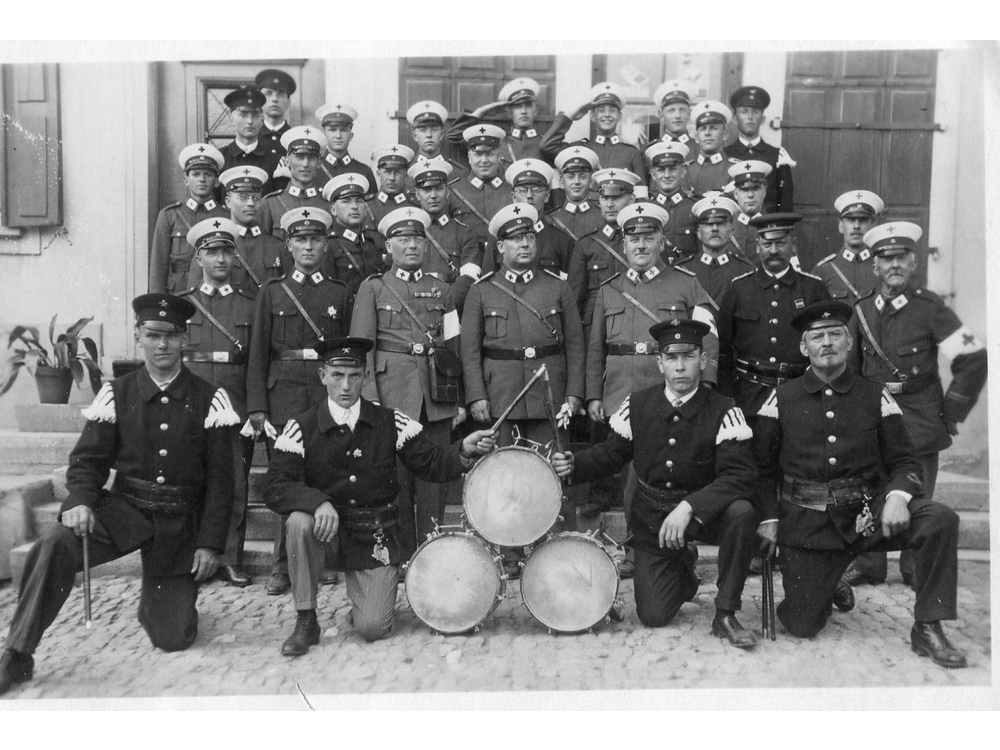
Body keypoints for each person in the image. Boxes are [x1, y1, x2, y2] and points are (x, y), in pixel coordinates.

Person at [0, 294, 239, 696]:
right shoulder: (116, 393)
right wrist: (78, 502)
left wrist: (210, 545)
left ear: (184, 340)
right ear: (138, 337)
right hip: (124, 511)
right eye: (152, 335)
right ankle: (17, 653)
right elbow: (88, 462)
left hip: (179, 525)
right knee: (56, 541)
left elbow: (222, 484)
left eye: (171, 336)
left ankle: (170, 598)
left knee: (172, 636)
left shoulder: (209, 398)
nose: (161, 345)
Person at [753, 300, 968, 668]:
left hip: (868, 517)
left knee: (939, 519)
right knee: (802, 624)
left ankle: (929, 626)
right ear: (804, 348)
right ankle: (829, 582)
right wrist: (769, 517)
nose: (827, 343)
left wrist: (899, 495)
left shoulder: (875, 395)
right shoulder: (781, 399)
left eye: (835, 334)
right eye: (817, 337)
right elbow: (760, 469)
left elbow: (905, 460)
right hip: (808, 526)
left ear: (849, 342)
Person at [263, 337, 496, 651]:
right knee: (299, 521)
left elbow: (430, 462)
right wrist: (316, 502)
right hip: (326, 535)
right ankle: (306, 618)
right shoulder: (301, 427)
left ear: (366, 376)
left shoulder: (390, 422)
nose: (345, 386)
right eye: (337, 376)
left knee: (374, 628)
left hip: (374, 538)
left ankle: (363, 605)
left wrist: (463, 450)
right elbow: (275, 485)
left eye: (354, 376)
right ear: (322, 376)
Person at [551, 318, 759, 648]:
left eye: (689, 357)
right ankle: (683, 569)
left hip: (706, 517)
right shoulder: (638, 405)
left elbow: (739, 476)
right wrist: (575, 464)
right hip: (654, 519)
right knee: (653, 615)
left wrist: (691, 507)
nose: (680, 367)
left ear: (702, 361)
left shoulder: (724, 411)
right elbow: (610, 454)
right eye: (672, 358)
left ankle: (725, 613)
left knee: (743, 512)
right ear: (659, 362)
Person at [840, 222, 987, 589]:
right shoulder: (860, 312)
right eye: (886, 258)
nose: (894, 265)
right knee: (869, 489)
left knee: (918, 493)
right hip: (874, 415)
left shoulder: (930, 309)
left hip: (920, 416)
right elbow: (852, 369)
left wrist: (950, 413)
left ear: (913, 263)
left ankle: (915, 565)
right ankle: (870, 563)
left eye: (901, 257)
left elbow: (973, 358)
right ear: (874, 266)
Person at [583, 202, 720, 563]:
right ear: (623, 246)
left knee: (668, 474)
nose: (641, 246)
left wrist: (703, 388)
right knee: (631, 480)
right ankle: (634, 549)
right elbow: (596, 346)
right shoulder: (610, 289)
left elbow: (709, 338)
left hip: (669, 393)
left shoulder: (686, 284)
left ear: (661, 241)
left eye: (648, 238)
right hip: (620, 392)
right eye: (634, 239)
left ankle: (678, 545)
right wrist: (593, 394)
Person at [461, 202, 586, 572]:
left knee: (553, 472)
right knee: (505, 477)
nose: (525, 244)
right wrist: (476, 396)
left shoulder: (557, 288)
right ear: (500, 247)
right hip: (501, 395)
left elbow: (576, 346)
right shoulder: (482, 292)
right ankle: (509, 552)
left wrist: (575, 393)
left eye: (529, 236)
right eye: (515, 239)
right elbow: (469, 350)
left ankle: (557, 548)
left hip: (550, 395)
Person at [246, 207, 353, 595]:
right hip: (284, 392)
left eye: (316, 239)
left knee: (325, 471)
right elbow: (258, 351)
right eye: (301, 240)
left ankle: (322, 558)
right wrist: (257, 405)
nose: (308, 246)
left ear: (326, 245)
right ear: (289, 245)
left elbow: (345, 354)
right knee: (285, 476)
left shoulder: (339, 292)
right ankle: (281, 564)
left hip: (325, 390)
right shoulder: (271, 292)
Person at [350, 207, 465, 557]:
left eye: (418, 239)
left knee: (433, 486)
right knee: (396, 484)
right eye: (403, 239)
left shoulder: (442, 290)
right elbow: (362, 349)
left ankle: (429, 554)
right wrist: (368, 401)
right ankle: (400, 555)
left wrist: (457, 399)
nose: (412, 245)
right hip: (390, 397)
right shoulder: (374, 288)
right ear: (389, 246)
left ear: (427, 246)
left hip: (435, 399)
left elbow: (453, 346)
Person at [180, 219, 257, 587]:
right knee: (190, 477)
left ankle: (229, 557)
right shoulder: (183, 305)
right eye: (212, 252)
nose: (221, 258)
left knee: (234, 482)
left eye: (227, 251)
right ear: (199, 257)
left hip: (234, 400)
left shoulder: (250, 305)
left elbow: (256, 361)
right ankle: (192, 556)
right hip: (191, 399)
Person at [715, 213, 830, 419]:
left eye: (781, 243)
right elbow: (723, 350)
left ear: (793, 245)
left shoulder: (813, 289)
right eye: (767, 244)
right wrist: (728, 396)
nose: (774, 251)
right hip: (749, 395)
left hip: (800, 393)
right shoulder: (738, 289)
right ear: (758, 246)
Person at [187, 166, 290, 292]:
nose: (251, 203)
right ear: (228, 202)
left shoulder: (277, 246)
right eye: (243, 197)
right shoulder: (210, 245)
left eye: (256, 198)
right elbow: (196, 297)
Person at [567, 168, 641, 343]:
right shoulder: (586, 245)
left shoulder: (642, 243)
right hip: (594, 329)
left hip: (634, 322)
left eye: (616, 198)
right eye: (605, 198)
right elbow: (575, 300)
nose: (609, 204)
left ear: (631, 199)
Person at [149, 142, 228, 294]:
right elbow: (158, 268)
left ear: (217, 181)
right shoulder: (169, 216)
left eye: (208, 174)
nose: (202, 179)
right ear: (186, 179)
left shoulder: (226, 217)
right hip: (178, 294)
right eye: (196, 174)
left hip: (216, 295)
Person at [408, 158, 484, 315]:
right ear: (417, 194)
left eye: (439, 189)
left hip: (452, 311)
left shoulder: (464, 232)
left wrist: (443, 306)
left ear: (447, 192)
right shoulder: (408, 233)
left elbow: (469, 277)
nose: (433, 195)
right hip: (414, 311)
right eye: (427, 190)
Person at [541, 81, 647, 188]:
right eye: (601, 110)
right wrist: (569, 117)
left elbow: (640, 193)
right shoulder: (579, 149)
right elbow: (547, 146)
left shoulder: (632, 153)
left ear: (619, 116)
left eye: (612, 111)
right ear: (592, 116)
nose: (607, 115)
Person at [496, 158, 574, 279]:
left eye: (536, 190)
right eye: (522, 190)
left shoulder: (561, 240)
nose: (529, 196)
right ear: (513, 197)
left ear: (547, 196)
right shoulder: (499, 237)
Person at [675, 194, 753, 305]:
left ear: (731, 232)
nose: (715, 229)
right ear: (698, 233)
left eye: (721, 224)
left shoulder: (745, 270)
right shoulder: (684, 269)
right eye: (708, 224)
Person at [725, 86, 794, 212]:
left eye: (755, 112)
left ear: (762, 119)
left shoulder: (777, 156)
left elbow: (785, 203)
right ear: (735, 119)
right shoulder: (726, 154)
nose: (750, 116)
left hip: (768, 228)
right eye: (744, 111)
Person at [447, 77, 547, 163]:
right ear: (509, 113)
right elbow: (453, 136)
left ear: (536, 111)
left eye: (528, 106)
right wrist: (481, 112)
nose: (524, 111)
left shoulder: (546, 143)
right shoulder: (497, 142)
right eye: (517, 106)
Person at [811, 190, 884, 303]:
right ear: (841, 226)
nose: (856, 226)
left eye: (863, 220)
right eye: (850, 220)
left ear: (873, 226)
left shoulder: (884, 267)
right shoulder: (823, 271)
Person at [257, 126, 328, 241]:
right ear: (287, 161)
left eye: (311, 158)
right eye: (299, 157)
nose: (305, 164)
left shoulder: (327, 204)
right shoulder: (270, 204)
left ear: (319, 163)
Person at [447, 123, 513, 244]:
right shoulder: (454, 191)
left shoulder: (511, 190)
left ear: (499, 156)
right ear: (469, 158)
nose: (484, 160)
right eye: (478, 154)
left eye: (489, 154)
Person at [321, 173, 385, 294]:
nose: (354, 206)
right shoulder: (329, 246)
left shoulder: (371, 243)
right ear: (333, 209)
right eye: (346, 201)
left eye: (359, 201)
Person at [219, 86, 282, 199]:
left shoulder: (276, 161)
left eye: (255, 115)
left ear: (262, 119)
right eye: (243, 115)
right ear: (231, 118)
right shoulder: (220, 160)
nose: (249, 121)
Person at [645, 141, 699, 260]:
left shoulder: (695, 208)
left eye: (673, 169)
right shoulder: (646, 209)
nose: (667, 175)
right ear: (653, 174)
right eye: (661, 170)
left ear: (683, 171)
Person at [314, 102, 377, 201]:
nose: (338, 136)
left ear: (351, 135)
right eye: (332, 130)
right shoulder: (314, 169)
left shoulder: (364, 171)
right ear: (324, 134)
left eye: (343, 130)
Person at [546, 146, 604, 242]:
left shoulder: (602, 216)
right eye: (570, 177)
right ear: (561, 182)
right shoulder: (551, 218)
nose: (576, 182)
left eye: (583, 176)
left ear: (590, 182)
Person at [684, 100, 739, 196]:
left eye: (714, 128)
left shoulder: (735, 169)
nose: (707, 133)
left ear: (725, 135)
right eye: (702, 129)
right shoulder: (686, 170)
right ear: (696, 137)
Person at [255, 68, 296, 193]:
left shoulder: (295, 139)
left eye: (280, 94)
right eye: (268, 93)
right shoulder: (251, 139)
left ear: (288, 102)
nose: (274, 99)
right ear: (260, 100)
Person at [404, 100, 468, 179]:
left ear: (441, 134)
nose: (429, 135)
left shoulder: (458, 172)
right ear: (414, 136)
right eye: (423, 130)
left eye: (434, 129)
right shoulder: (405, 172)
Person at [368, 144, 418, 232]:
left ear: (406, 175)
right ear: (378, 174)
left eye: (398, 172)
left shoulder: (415, 206)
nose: (392, 178)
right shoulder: (368, 206)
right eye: (387, 172)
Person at [727, 160, 771, 261]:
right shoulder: (726, 226)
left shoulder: (774, 226)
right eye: (744, 190)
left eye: (755, 189)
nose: (750, 195)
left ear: (764, 191)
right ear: (735, 194)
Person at [648, 79, 695, 148]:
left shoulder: (700, 150)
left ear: (689, 114)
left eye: (682, 110)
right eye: (671, 110)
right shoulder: (650, 151)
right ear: (662, 115)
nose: (677, 116)